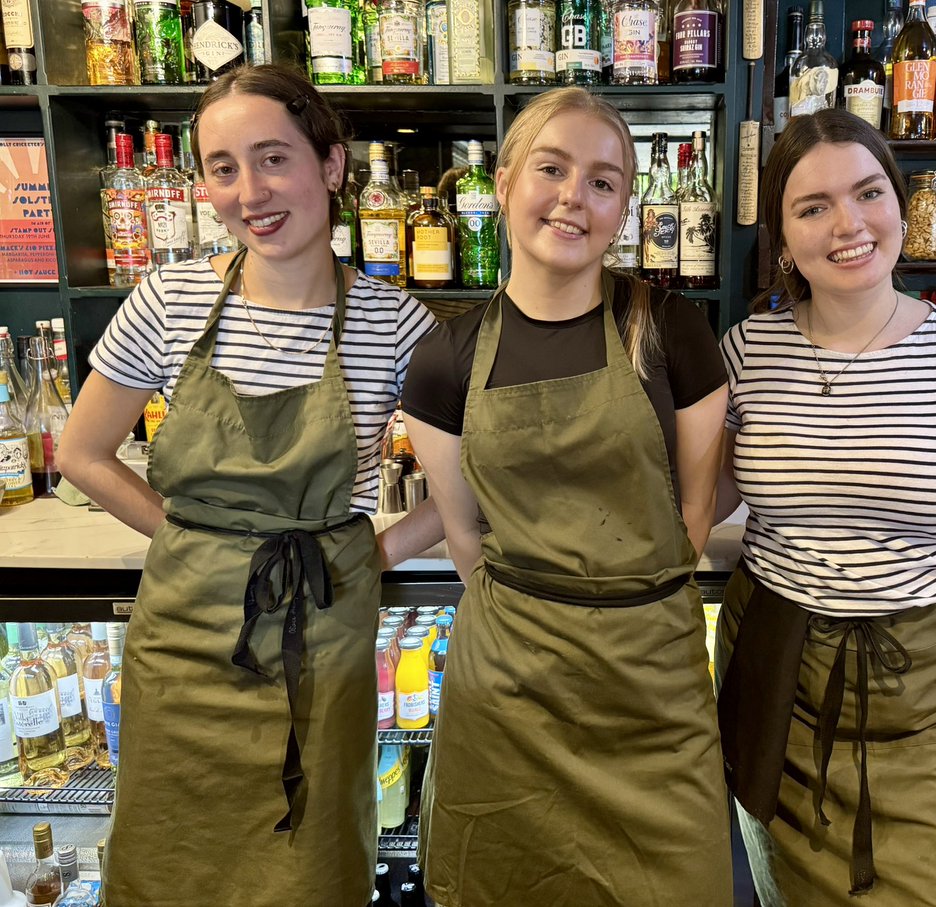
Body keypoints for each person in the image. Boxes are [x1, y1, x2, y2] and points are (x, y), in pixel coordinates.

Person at [57, 64, 440, 906]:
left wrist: (374, 550)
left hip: (324, 636)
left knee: (309, 854)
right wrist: (194, 544)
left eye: (273, 158)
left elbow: (470, 485)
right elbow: (80, 452)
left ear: (332, 166)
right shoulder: (171, 298)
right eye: (223, 167)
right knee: (170, 856)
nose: (249, 191)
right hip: (183, 639)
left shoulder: (396, 322)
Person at [401, 87, 733, 907]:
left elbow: (693, 516)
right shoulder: (447, 359)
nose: (572, 197)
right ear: (506, 183)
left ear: (623, 208)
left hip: (651, 686)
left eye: (602, 181)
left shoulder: (672, 331)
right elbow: (465, 535)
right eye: (552, 169)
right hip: (509, 692)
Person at [714, 108, 936, 907]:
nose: (848, 224)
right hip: (774, 678)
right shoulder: (748, 351)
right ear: (784, 238)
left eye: (867, 193)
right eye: (813, 206)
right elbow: (693, 504)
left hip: (928, 690)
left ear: (899, 203)